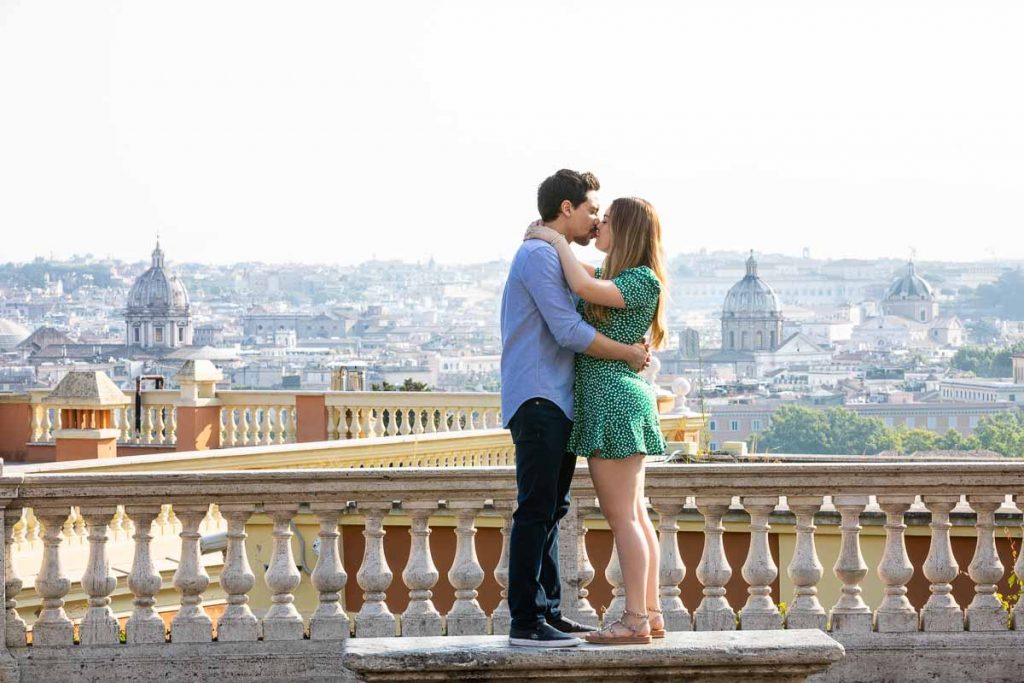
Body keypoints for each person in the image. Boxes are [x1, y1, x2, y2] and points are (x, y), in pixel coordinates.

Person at [501, 170, 651, 648]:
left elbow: (594, 289)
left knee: (552, 507)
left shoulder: (555, 255)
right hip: (540, 397)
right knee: (536, 509)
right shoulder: (538, 255)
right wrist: (628, 353)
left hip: (559, 399)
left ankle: (547, 612)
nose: (594, 222)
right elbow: (568, 331)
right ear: (566, 209)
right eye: (590, 211)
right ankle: (527, 620)